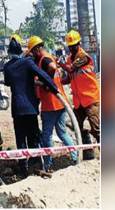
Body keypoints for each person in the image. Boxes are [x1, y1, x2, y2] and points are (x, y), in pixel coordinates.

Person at [4, 35, 59, 177]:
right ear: (21, 51)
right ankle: (35, 166)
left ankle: (23, 170)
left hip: (17, 109)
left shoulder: (7, 67)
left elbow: (8, 83)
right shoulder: (27, 62)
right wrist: (54, 88)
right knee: (34, 137)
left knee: (20, 139)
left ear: (9, 53)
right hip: (30, 107)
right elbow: (43, 75)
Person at [27, 36, 77, 172]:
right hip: (60, 103)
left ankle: (48, 164)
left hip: (50, 105)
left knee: (47, 135)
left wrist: (45, 82)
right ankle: (75, 157)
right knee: (62, 132)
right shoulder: (48, 56)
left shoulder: (44, 60)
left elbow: (52, 67)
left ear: (38, 49)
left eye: (32, 51)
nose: (32, 55)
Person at [58, 30, 100, 146]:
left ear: (78, 44)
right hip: (79, 101)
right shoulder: (70, 59)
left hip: (90, 98)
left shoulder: (82, 56)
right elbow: (69, 78)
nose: (71, 49)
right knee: (76, 125)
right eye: (70, 47)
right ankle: (86, 149)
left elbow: (70, 69)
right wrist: (58, 82)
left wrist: (59, 62)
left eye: (73, 46)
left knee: (97, 129)